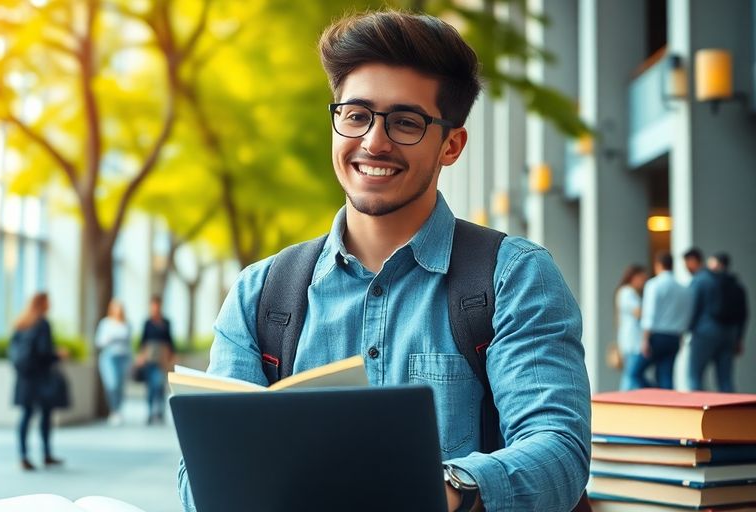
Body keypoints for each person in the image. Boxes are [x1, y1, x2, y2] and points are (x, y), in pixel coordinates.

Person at [177, 10, 590, 512]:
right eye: (356, 115)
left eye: (406, 122)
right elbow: (200, 477)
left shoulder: (513, 277)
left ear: (451, 145)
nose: (374, 141)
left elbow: (559, 450)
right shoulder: (261, 294)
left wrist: (446, 486)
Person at [9, 292, 68, 470]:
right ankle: (46, 454)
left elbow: (13, 351)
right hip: (41, 377)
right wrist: (58, 354)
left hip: (25, 377)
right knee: (45, 415)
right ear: (42, 304)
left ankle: (23, 455)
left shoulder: (21, 323)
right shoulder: (43, 324)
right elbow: (44, 352)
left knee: (26, 415)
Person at [687, 252, 749, 392]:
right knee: (725, 379)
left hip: (705, 332)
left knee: (695, 376)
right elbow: (743, 314)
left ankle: (698, 411)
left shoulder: (702, 280)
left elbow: (693, 308)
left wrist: (689, 330)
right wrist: (739, 338)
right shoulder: (736, 284)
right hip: (730, 333)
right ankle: (732, 414)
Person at [639, 252, 692, 390]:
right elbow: (685, 314)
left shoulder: (653, 285)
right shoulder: (683, 288)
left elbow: (649, 314)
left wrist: (644, 339)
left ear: (658, 265)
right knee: (666, 376)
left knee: (634, 372)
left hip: (657, 336)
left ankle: (651, 393)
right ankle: (666, 404)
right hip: (674, 337)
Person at [138, 295, 175, 425]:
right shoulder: (147, 323)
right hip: (150, 358)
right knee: (151, 387)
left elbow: (170, 341)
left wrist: (172, 356)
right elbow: (143, 341)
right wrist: (141, 356)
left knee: (159, 385)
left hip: (162, 359)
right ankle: (150, 411)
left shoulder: (166, 323)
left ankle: (159, 411)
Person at [96, 298, 132, 425]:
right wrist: (110, 338)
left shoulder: (126, 324)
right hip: (109, 357)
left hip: (123, 357)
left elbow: (129, 344)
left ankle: (118, 410)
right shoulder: (105, 323)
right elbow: (99, 342)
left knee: (120, 385)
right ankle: (113, 409)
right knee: (112, 384)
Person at [616, 264, 649, 390]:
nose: (644, 282)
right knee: (631, 375)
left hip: (632, 341)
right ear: (633, 277)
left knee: (633, 375)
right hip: (632, 342)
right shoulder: (627, 292)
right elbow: (639, 312)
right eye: (642, 278)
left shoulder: (631, 293)